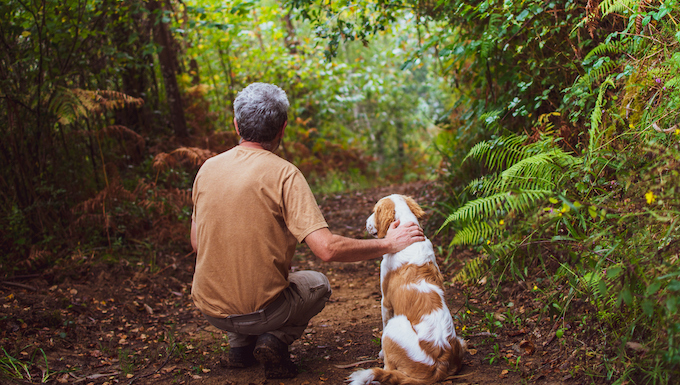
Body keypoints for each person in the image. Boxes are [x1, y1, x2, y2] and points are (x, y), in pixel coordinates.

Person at [190, 82, 425, 379]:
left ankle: (238, 349)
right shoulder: (284, 173)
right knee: (317, 284)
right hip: (263, 313)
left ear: (236, 124)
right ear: (282, 129)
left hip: (212, 311)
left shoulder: (206, 169)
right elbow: (327, 249)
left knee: (249, 278)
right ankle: (274, 339)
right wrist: (388, 244)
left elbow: (198, 244)